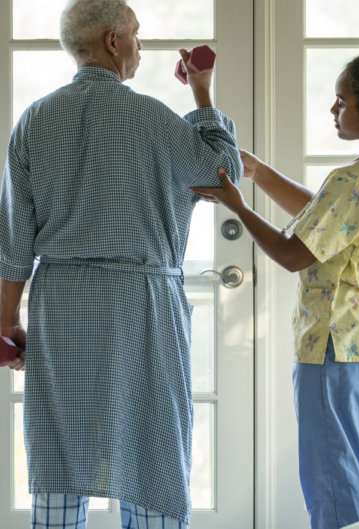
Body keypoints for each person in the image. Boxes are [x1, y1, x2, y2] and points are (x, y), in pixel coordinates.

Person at [0, 0, 243, 527]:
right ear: (112, 42)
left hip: (61, 307)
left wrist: (6, 321)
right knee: (151, 445)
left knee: (62, 455)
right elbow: (223, 175)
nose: (140, 45)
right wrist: (201, 94)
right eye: (135, 33)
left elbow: (14, 240)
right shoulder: (154, 118)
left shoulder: (34, 120)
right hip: (143, 305)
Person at [191, 52, 359, 528]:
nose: (334, 110)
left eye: (341, 101)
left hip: (339, 343)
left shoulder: (353, 180)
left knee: (337, 485)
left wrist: (237, 205)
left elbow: (294, 253)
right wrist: (260, 173)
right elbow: (326, 217)